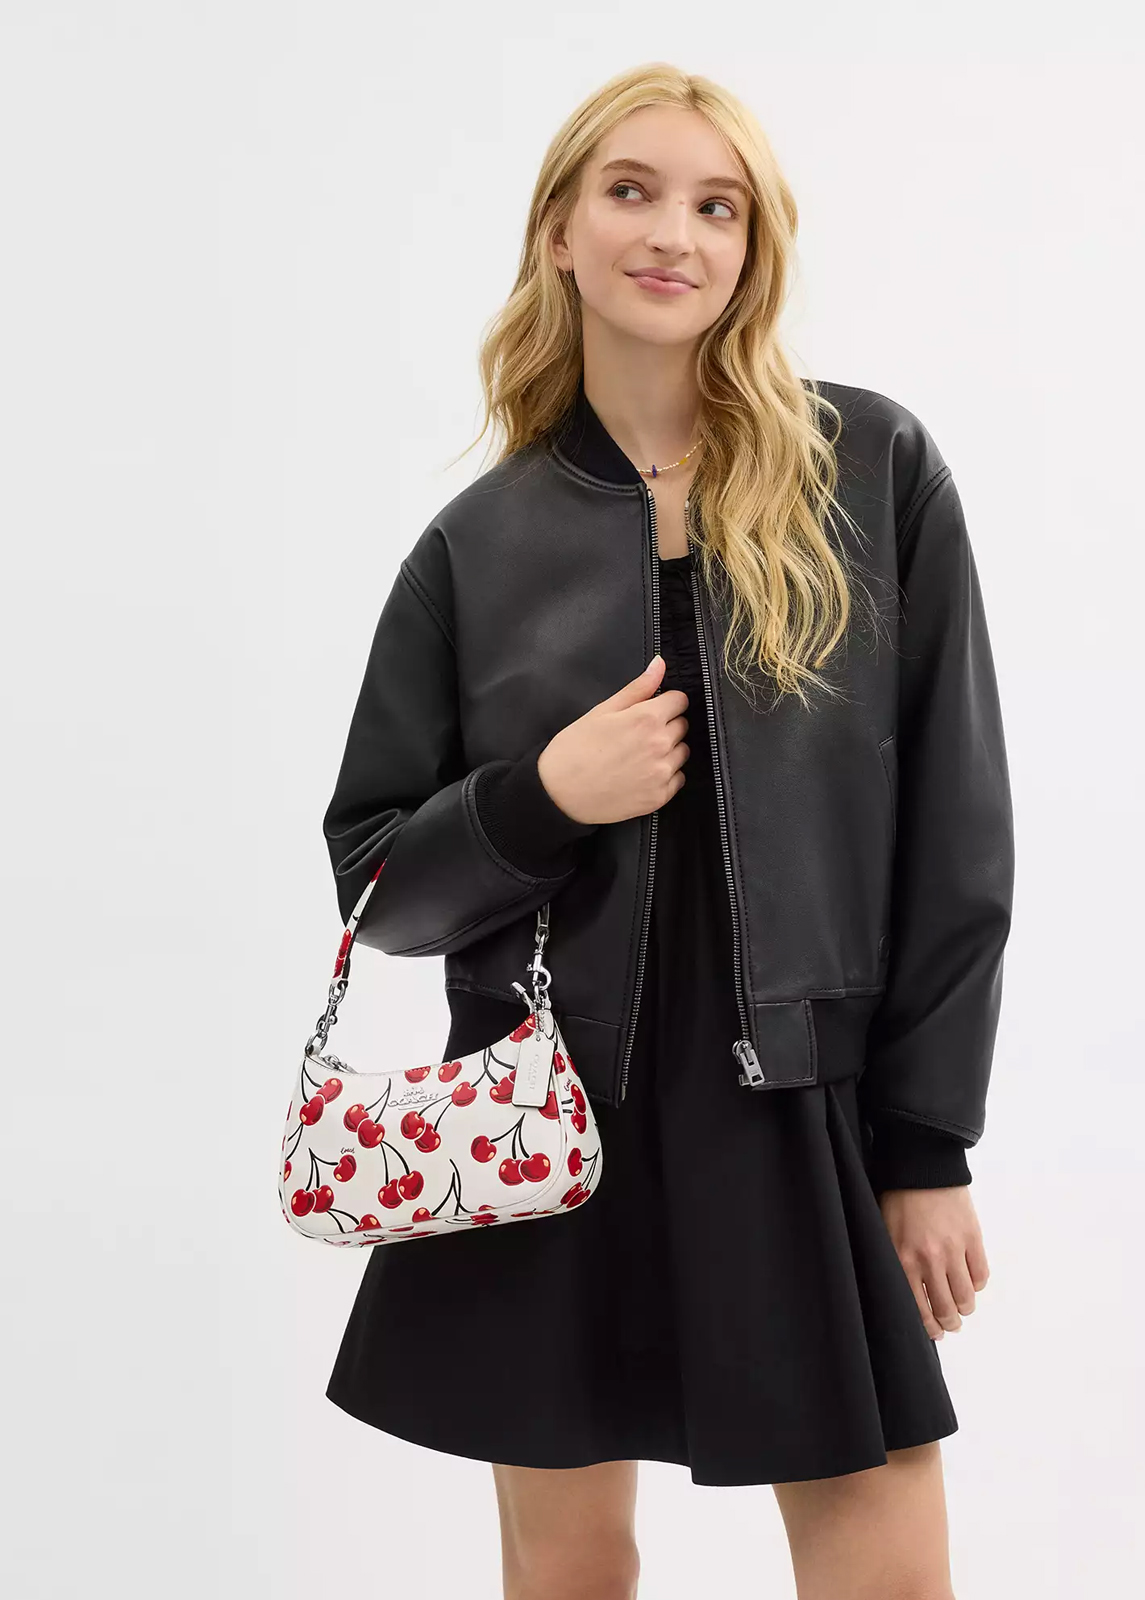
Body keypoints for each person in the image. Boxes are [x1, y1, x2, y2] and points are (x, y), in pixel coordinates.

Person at [318, 61, 1014, 1600]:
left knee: (888, 1564)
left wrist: (927, 1146)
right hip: (546, 1118)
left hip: (799, 1110)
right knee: (569, 1567)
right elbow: (378, 887)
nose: (673, 234)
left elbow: (958, 841)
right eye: (631, 192)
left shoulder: (872, 471)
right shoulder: (476, 545)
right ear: (559, 232)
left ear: (754, 250)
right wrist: (543, 797)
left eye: (719, 207)